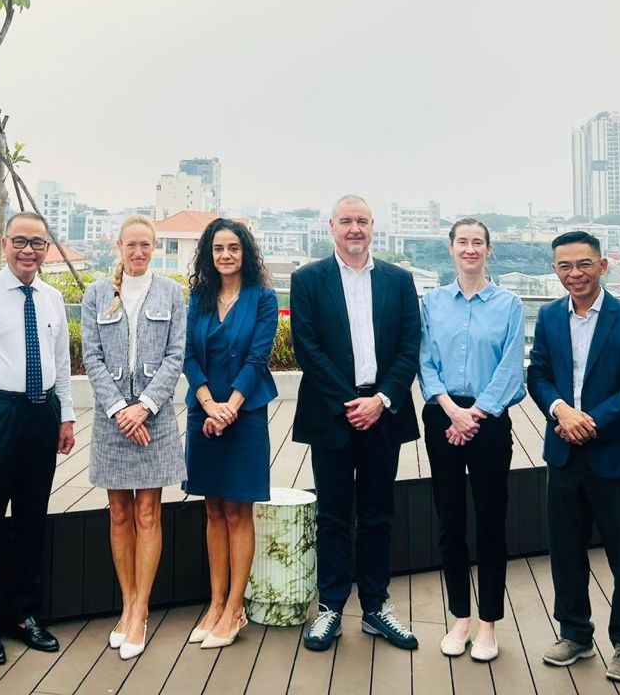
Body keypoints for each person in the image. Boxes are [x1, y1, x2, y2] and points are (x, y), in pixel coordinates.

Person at [290, 195, 421, 652]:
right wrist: (351, 402)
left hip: (383, 414)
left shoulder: (399, 280)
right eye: (346, 221)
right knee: (332, 514)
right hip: (333, 414)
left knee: (378, 515)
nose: (354, 228)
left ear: (372, 226)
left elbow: (410, 345)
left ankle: (375, 607)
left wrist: (380, 400)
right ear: (331, 226)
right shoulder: (308, 279)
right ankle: (330, 608)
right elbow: (306, 348)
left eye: (362, 220)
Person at [527, 230, 620, 684]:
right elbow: (538, 374)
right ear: (555, 270)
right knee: (565, 551)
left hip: (613, 456)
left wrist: (590, 421)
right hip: (563, 453)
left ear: (602, 266)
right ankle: (575, 634)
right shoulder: (549, 317)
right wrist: (560, 410)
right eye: (564, 266)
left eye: (584, 264)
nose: (575, 274)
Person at [0, 212, 77, 666]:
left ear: (47, 249)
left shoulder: (52, 298)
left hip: (42, 413)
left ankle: (23, 614)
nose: (28, 250)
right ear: (5, 244)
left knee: (31, 517)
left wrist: (66, 415)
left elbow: (61, 362)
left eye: (37, 243)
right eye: (20, 241)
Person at [80, 214, 188, 661]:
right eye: (131, 245)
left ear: (154, 248)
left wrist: (144, 406)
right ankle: (126, 604)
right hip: (112, 420)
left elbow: (176, 355)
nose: (139, 252)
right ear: (118, 247)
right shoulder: (97, 293)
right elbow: (91, 356)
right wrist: (120, 410)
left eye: (146, 245)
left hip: (154, 418)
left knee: (148, 512)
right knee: (120, 513)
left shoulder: (171, 293)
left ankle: (141, 610)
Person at [417, 217, 524, 663]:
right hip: (443, 417)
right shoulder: (432, 302)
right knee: (450, 522)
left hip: (489, 420)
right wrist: (452, 410)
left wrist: (474, 414)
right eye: (462, 241)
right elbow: (425, 362)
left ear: (488, 249)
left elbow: (511, 367)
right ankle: (459, 618)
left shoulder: (509, 304)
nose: (470, 249)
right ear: (451, 248)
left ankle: (488, 625)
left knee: (491, 523)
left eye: (478, 242)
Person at [183, 218, 278, 651]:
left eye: (234, 248)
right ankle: (216, 603)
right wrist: (209, 406)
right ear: (209, 254)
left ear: (245, 253)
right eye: (219, 248)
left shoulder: (263, 298)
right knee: (213, 509)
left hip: (245, 414)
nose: (226, 255)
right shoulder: (199, 297)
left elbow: (258, 359)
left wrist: (230, 409)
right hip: (203, 413)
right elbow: (187, 355)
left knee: (239, 511)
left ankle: (236, 607)